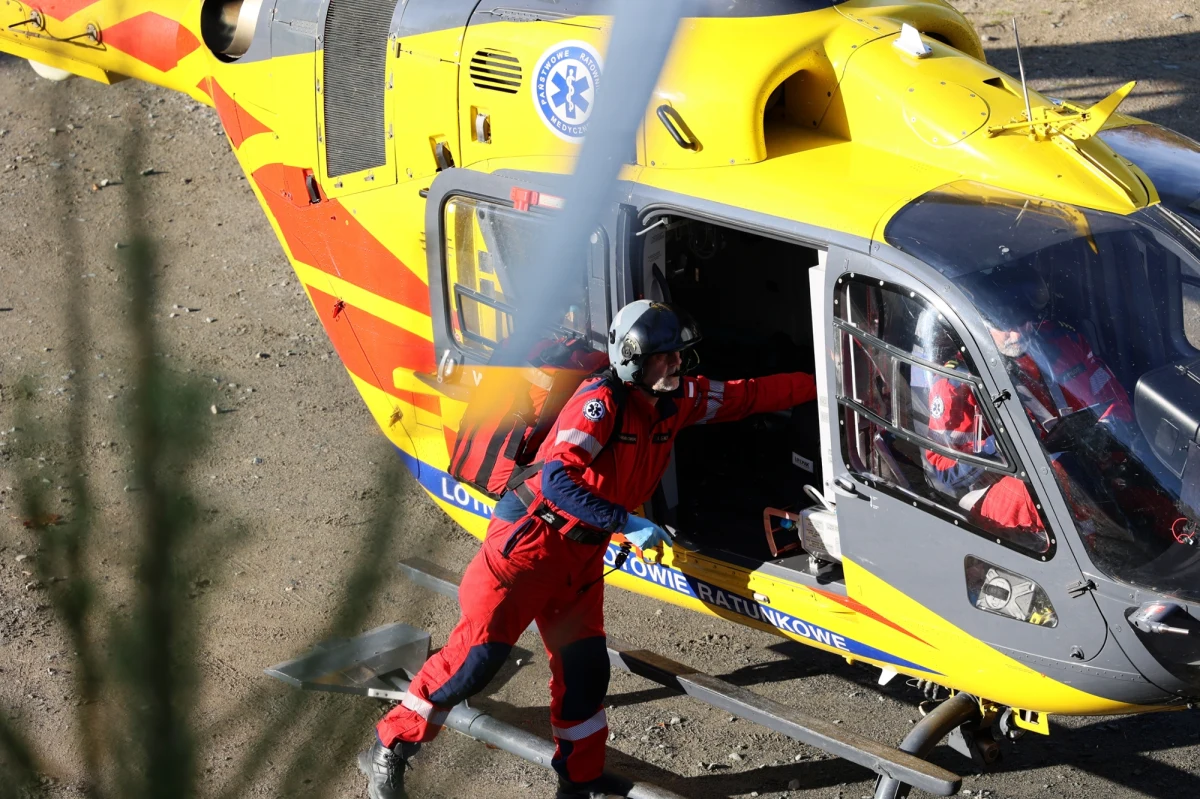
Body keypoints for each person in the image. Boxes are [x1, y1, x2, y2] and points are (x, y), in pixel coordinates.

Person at [360, 301, 818, 799]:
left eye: (679, 355)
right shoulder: (599, 403)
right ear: (632, 360)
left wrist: (827, 388)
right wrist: (628, 523)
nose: (678, 364)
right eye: (664, 357)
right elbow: (558, 481)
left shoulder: (677, 397)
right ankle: (389, 746)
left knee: (584, 674)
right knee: (474, 662)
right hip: (528, 549)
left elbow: (748, 396)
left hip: (579, 560)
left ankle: (578, 784)